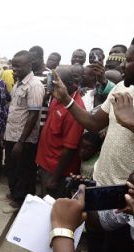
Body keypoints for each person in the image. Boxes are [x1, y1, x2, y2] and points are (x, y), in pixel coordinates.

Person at [52, 32, 134, 252]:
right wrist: (66, 100)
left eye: (130, 61)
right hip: (101, 189)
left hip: (129, 203)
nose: (125, 67)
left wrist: (132, 122)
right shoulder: (122, 88)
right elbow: (93, 122)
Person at [36, 65, 85, 198]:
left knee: (53, 207)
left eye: (54, 83)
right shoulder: (58, 97)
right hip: (45, 163)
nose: (51, 86)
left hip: (57, 172)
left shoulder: (76, 109)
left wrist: (54, 178)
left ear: (68, 84)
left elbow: (69, 149)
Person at [3, 50, 44, 207]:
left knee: (24, 169)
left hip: (23, 139)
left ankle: (22, 200)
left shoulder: (34, 85)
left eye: (18, 66)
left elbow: (33, 115)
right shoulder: (18, 83)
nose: (15, 69)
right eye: (13, 66)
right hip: (11, 134)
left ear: (29, 65)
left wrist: (21, 141)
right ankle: (15, 194)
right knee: (12, 167)